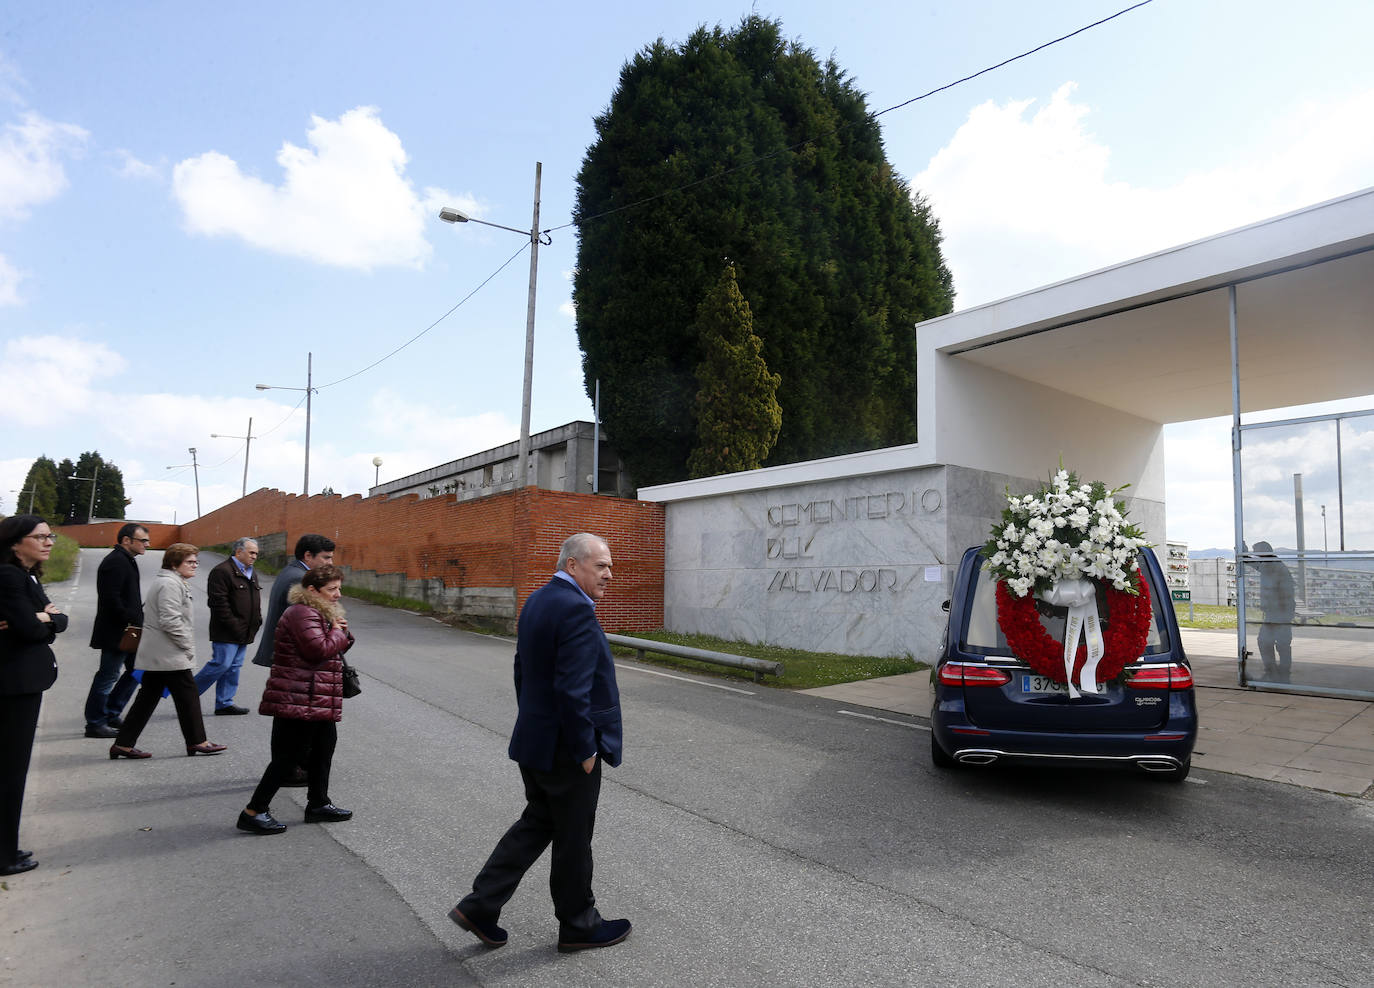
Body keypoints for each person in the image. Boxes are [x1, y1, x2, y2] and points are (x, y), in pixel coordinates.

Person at [448, 533, 630, 953]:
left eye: (610, 565)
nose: (609, 573)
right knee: (573, 837)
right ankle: (579, 924)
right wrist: (585, 749)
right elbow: (574, 690)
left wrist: (535, 721)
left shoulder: (538, 601)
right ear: (572, 565)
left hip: (537, 740)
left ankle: (480, 906)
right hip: (568, 749)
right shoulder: (576, 611)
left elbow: (523, 672)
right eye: (600, 565)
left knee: (538, 824)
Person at [237, 564, 354, 835]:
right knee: (288, 757)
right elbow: (318, 650)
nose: (338, 594)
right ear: (312, 590)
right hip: (300, 697)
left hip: (315, 696)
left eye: (339, 588)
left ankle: (318, 803)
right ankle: (253, 811)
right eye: (332, 589)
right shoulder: (301, 612)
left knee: (324, 748)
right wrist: (337, 631)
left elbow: (332, 646)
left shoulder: (319, 611)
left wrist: (341, 632)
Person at [110, 544, 226, 759]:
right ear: (174, 564)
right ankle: (197, 742)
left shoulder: (172, 581)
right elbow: (170, 620)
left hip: (160, 653)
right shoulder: (169, 584)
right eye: (190, 562)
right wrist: (187, 645)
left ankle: (123, 744)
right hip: (168, 653)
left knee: (147, 699)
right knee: (188, 695)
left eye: (196, 562)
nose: (195, 566)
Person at [0, 516, 67, 876]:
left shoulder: (28, 575)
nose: (49, 542)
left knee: (13, 770)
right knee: (10, 771)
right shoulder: (9, 575)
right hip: (13, 685)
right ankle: (4, 855)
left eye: (50, 536)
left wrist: (43, 618)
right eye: (39, 537)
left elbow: (61, 620)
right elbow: (28, 628)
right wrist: (42, 619)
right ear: (15, 542)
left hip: (24, 682)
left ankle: (7, 846)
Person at [251, 533, 335, 787]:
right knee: (296, 721)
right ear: (307, 556)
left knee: (291, 720)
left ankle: (293, 769)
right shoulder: (299, 578)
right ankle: (290, 770)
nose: (329, 563)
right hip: (295, 660)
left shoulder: (290, 572)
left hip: (286, 655)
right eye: (326, 558)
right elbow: (307, 626)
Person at [83, 523, 149, 738]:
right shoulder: (115, 562)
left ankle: (111, 712)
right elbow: (111, 599)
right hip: (117, 632)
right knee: (108, 676)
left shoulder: (127, 560)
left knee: (136, 671)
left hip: (130, 630)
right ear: (126, 540)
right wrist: (129, 620)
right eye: (143, 540)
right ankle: (95, 722)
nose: (147, 545)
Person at [194, 536, 261, 715]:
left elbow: (255, 600)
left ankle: (224, 703)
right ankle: (187, 696)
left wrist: (257, 620)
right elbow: (218, 603)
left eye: (256, 553)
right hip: (226, 630)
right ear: (239, 552)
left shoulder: (251, 572)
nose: (254, 556)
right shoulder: (222, 571)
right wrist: (234, 624)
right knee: (220, 664)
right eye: (251, 552)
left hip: (244, 631)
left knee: (234, 667)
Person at [1252, 541, 1296, 683]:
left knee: (1268, 642)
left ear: (1263, 552)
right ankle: (1280, 674)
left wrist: (1243, 554)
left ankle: (1276, 674)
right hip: (1279, 612)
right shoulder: (1273, 564)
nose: (1255, 556)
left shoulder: (1271, 565)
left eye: (1256, 552)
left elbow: (1256, 565)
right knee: (1276, 643)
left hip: (1279, 612)